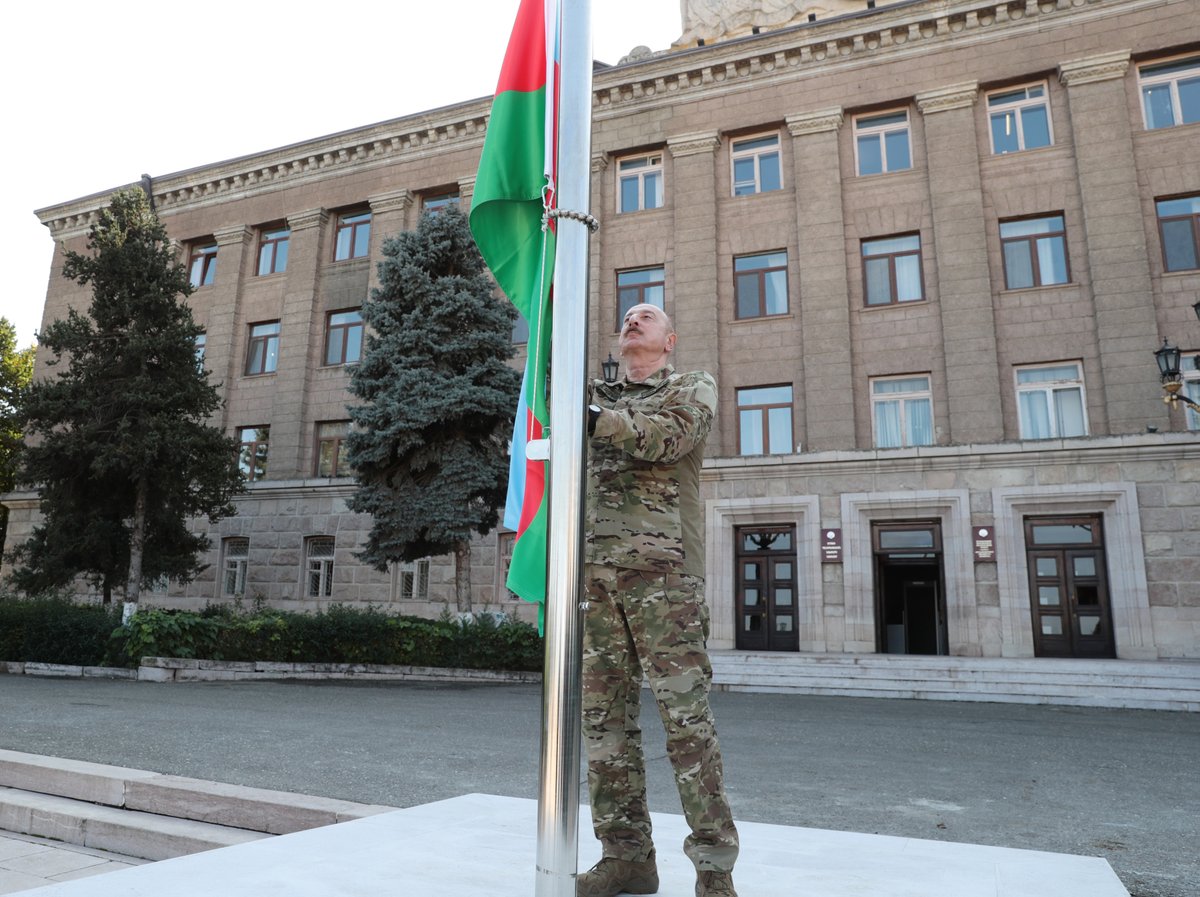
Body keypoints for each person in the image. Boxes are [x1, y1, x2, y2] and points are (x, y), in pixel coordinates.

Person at [577, 303, 739, 897]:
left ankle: (714, 871)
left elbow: (669, 437)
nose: (632, 321)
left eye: (646, 316)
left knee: (687, 725)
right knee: (604, 724)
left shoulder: (690, 386)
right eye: (626, 316)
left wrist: (597, 416)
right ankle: (627, 858)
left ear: (669, 340)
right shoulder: (589, 391)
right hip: (595, 578)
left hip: (664, 577)